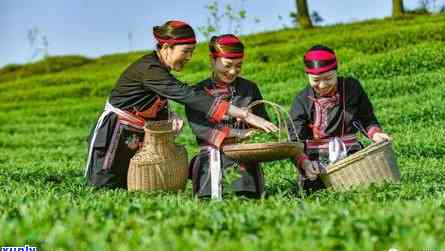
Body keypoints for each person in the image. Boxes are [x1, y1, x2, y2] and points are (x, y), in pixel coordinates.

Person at [85, 21, 277, 189]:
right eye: (185, 51)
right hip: (114, 134)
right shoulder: (150, 69)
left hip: (137, 136)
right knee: (103, 184)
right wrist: (245, 115)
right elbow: (189, 96)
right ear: (167, 47)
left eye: (192, 52)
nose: (189, 57)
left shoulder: (160, 70)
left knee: (130, 186)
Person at [289, 45, 392, 193]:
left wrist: (375, 134)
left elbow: (366, 117)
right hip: (315, 160)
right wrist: (304, 163)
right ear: (307, 76)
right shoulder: (301, 100)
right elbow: (294, 140)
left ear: (336, 71)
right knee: (315, 192)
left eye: (328, 78)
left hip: (350, 154)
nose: (323, 85)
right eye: (316, 80)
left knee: (365, 188)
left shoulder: (351, 88)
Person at [186, 34, 269, 199]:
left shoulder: (249, 88)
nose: (233, 71)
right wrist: (237, 133)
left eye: (239, 66)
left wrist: (252, 124)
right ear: (212, 60)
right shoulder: (197, 92)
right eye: (228, 65)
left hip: (243, 158)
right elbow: (201, 129)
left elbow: (263, 122)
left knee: (245, 199)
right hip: (210, 160)